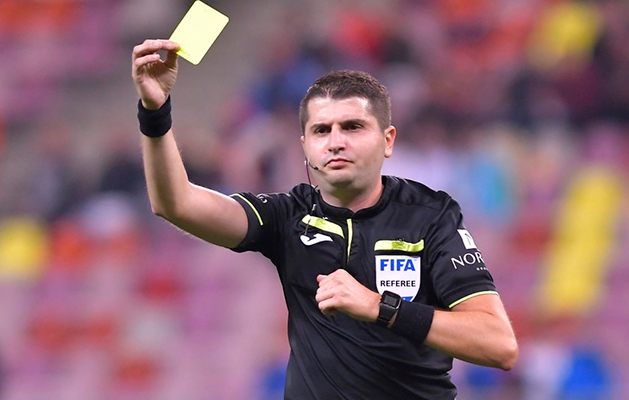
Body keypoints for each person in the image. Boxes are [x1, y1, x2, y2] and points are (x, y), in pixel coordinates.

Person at [132, 39, 519, 400]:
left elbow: (498, 345)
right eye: (321, 131)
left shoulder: (430, 216)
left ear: (387, 140)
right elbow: (176, 203)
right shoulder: (287, 216)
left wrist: (379, 306)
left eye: (352, 127)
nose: (335, 142)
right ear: (305, 147)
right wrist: (155, 111)